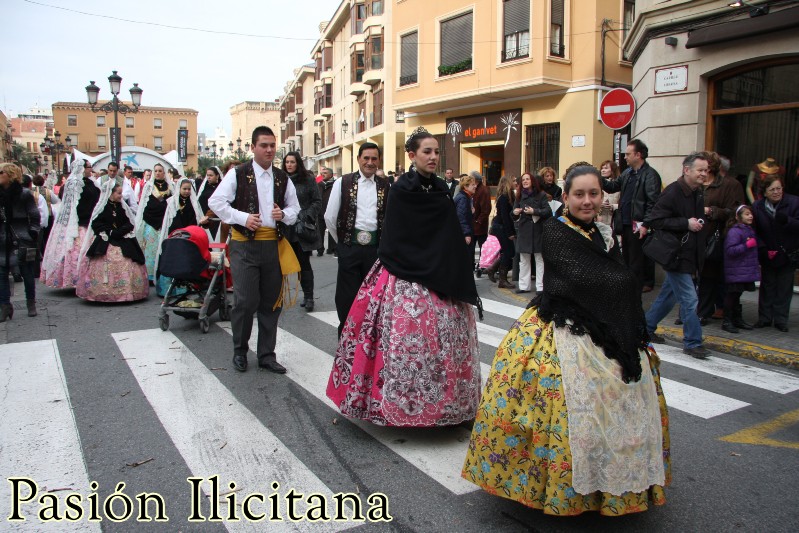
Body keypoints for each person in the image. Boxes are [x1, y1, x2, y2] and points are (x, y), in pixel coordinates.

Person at [462, 165, 669, 516]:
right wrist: (623, 285)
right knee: (562, 407)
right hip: (566, 325)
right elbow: (591, 280)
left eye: (593, 194)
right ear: (566, 197)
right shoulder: (555, 233)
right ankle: (564, 489)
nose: (587, 201)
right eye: (579, 194)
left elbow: (615, 279)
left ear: (602, 196)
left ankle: (613, 482)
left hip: (608, 327)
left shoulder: (605, 233)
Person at [326, 128, 481, 427]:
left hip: (438, 275)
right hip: (403, 272)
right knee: (396, 342)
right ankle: (394, 406)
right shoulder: (400, 189)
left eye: (436, 152)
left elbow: (445, 235)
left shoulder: (441, 189)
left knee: (443, 346)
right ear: (412, 155)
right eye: (427, 152)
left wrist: (449, 266)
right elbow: (395, 237)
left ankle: (445, 406)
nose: (433, 157)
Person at [208, 126, 300, 374]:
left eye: (272, 145)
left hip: (273, 244)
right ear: (253, 147)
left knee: (272, 303)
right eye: (264, 145)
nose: (269, 150)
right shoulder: (238, 174)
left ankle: (267, 355)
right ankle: (240, 351)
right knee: (245, 301)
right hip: (245, 245)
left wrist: (285, 214)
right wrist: (242, 217)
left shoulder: (282, 177)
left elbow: (295, 209)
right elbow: (215, 202)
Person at [645, 152, 710, 359]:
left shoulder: (697, 192)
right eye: (700, 170)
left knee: (668, 295)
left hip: (689, 254)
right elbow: (655, 220)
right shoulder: (673, 192)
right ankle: (693, 342)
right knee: (690, 300)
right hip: (676, 255)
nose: (703, 174)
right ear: (686, 170)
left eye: (706, 170)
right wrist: (685, 223)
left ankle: (645, 328)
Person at [323, 142, 390, 337]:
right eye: (366, 158)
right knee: (347, 298)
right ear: (359, 159)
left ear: (378, 161)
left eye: (374, 159)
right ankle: (346, 340)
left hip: (375, 250)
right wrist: (343, 243)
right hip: (350, 248)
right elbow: (330, 217)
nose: (370, 162)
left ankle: (368, 343)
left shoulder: (386, 186)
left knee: (374, 298)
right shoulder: (342, 182)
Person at [602, 140, 662, 292]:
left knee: (637, 261)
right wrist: (597, 177)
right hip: (625, 223)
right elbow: (612, 186)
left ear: (638, 155)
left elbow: (652, 202)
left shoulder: (650, 175)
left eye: (628, 154)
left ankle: (634, 292)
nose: (625, 157)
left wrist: (646, 224)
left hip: (639, 225)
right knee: (626, 258)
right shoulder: (627, 173)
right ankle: (628, 289)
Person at [75, 183, 149, 303]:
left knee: (129, 258)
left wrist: (121, 231)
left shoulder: (122, 207)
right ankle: (103, 292)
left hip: (122, 237)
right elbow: (96, 223)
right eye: (119, 193)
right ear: (111, 193)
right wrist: (109, 231)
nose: (121, 196)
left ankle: (128, 291)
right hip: (106, 239)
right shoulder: (102, 207)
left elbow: (129, 222)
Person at [696, 152, 744, 322]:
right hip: (696, 236)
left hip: (718, 238)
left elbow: (736, 211)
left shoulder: (730, 185)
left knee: (713, 276)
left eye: (704, 166)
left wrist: (712, 211)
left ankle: (714, 312)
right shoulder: (696, 183)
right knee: (699, 277)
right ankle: (696, 312)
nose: (700, 171)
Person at [41, 160, 101, 290]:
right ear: (81, 168)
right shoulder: (73, 183)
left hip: (91, 221)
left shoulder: (92, 182)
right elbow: (70, 204)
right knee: (76, 252)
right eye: (89, 167)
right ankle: (76, 279)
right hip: (78, 222)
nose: (91, 170)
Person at [751, 175, 799, 332]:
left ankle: (780, 320)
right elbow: (753, 231)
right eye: (772, 189)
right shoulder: (757, 206)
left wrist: (787, 220)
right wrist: (763, 248)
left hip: (788, 253)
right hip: (768, 254)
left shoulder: (794, 202)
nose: (777, 192)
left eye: (779, 188)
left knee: (784, 288)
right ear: (765, 192)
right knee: (767, 286)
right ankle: (764, 318)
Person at [282, 151, 322, 311]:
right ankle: (277, 297)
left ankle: (309, 296)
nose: (289, 165)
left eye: (292, 162)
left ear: (298, 163)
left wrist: (305, 215)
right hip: (284, 227)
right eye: (287, 162)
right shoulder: (280, 180)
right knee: (279, 265)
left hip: (301, 228)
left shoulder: (308, 180)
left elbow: (317, 201)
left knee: (303, 264)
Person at [0, 163, 41, 320]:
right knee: (2, 273)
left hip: (22, 238)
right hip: (3, 239)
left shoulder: (24, 194)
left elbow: (35, 215)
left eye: (1, 172)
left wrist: (33, 232)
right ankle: (5, 306)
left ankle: (31, 303)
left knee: (27, 273)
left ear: (9, 175)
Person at [154, 177, 206, 297]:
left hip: (190, 236)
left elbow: (197, 219)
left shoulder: (193, 203)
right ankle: (170, 288)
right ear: (179, 189)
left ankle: (190, 285)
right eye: (184, 189)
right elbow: (169, 221)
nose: (187, 191)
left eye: (189, 189)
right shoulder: (172, 202)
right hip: (175, 236)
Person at [722, 205, 759, 333]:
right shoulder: (735, 231)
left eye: (751, 214)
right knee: (732, 295)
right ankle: (727, 321)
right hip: (735, 270)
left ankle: (737, 319)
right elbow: (730, 250)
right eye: (747, 214)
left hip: (742, 270)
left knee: (737, 295)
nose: (750, 216)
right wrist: (746, 245)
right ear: (738, 217)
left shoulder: (748, 230)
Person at [513, 171, 552, 293]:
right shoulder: (519, 196)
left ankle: (541, 287)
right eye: (523, 180)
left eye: (527, 179)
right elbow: (513, 213)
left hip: (538, 230)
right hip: (524, 230)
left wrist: (534, 211)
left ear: (532, 181)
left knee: (539, 259)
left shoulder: (541, 195)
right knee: (524, 259)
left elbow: (548, 211)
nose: (524, 181)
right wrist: (514, 213)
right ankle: (524, 286)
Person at [134, 163, 173, 283]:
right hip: (150, 221)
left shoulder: (170, 187)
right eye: (155, 171)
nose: (157, 173)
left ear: (164, 172)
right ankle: (150, 275)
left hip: (164, 221)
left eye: (160, 171)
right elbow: (144, 204)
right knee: (151, 249)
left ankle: (162, 272)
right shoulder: (149, 186)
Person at [486, 175, 516, 289]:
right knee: (509, 252)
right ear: (508, 183)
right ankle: (502, 279)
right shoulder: (504, 198)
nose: (515, 182)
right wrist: (510, 233)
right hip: (501, 228)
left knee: (507, 252)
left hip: (502, 227)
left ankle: (492, 269)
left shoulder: (507, 196)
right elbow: (505, 217)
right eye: (513, 180)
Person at [471, 170, 491, 277]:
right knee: (472, 247)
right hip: (474, 224)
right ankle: (474, 266)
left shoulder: (483, 190)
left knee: (482, 246)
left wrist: (479, 220)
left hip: (479, 224)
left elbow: (486, 209)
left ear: (475, 179)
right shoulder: (475, 189)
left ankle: (481, 266)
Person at [197, 166, 222, 240]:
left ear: (217, 176)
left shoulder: (221, 187)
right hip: (205, 219)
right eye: (207, 175)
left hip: (218, 219)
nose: (208, 177)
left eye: (211, 175)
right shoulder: (204, 188)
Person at [317, 167, 337, 256]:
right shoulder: (318, 184)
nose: (322, 174)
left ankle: (332, 249)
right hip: (320, 212)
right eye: (322, 173)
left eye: (325, 173)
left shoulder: (335, 184)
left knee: (332, 230)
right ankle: (320, 249)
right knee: (320, 232)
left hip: (331, 211)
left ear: (331, 175)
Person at [453, 174, 475, 249]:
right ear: (465, 187)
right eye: (472, 185)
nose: (475, 186)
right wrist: (466, 234)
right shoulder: (463, 198)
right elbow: (461, 216)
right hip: (463, 234)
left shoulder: (465, 197)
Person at [597, 160, 620, 226]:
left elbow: (623, 203)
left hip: (614, 219)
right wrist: (600, 204)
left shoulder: (618, 185)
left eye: (606, 168)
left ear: (612, 170)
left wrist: (613, 206)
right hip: (600, 218)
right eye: (602, 168)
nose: (603, 170)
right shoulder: (597, 183)